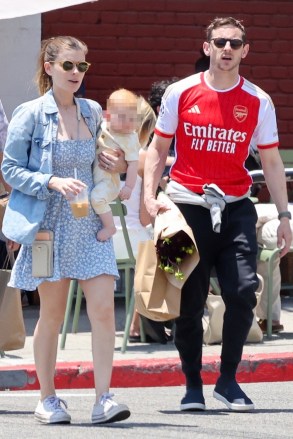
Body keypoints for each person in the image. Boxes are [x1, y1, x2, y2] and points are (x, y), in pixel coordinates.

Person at [143, 16, 292, 412]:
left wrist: (284, 215)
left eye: (235, 43)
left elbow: (273, 163)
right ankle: (192, 384)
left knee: (243, 291)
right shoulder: (180, 92)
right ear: (207, 47)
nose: (227, 49)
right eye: (220, 42)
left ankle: (227, 380)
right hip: (185, 208)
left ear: (246, 50)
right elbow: (157, 150)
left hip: (237, 207)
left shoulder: (259, 100)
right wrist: (148, 196)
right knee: (187, 303)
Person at [1, 36, 130, 425]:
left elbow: (108, 163)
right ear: (49, 67)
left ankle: (103, 398)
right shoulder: (31, 114)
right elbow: (9, 170)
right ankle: (47, 398)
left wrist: (111, 160)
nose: (76, 73)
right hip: (48, 226)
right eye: (68, 66)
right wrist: (50, 182)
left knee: (104, 310)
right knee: (52, 315)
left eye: (82, 66)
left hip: (90, 222)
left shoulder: (91, 111)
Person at [91, 88, 141, 241]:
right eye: (122, 117)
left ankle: (110, 226)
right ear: (109, 115)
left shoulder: (130, 139)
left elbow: (133, 164)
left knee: (97, 198)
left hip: (109, 181)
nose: (128, 123)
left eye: (132, 118)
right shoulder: (103, 125)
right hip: (95, 176)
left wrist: (128, 187)